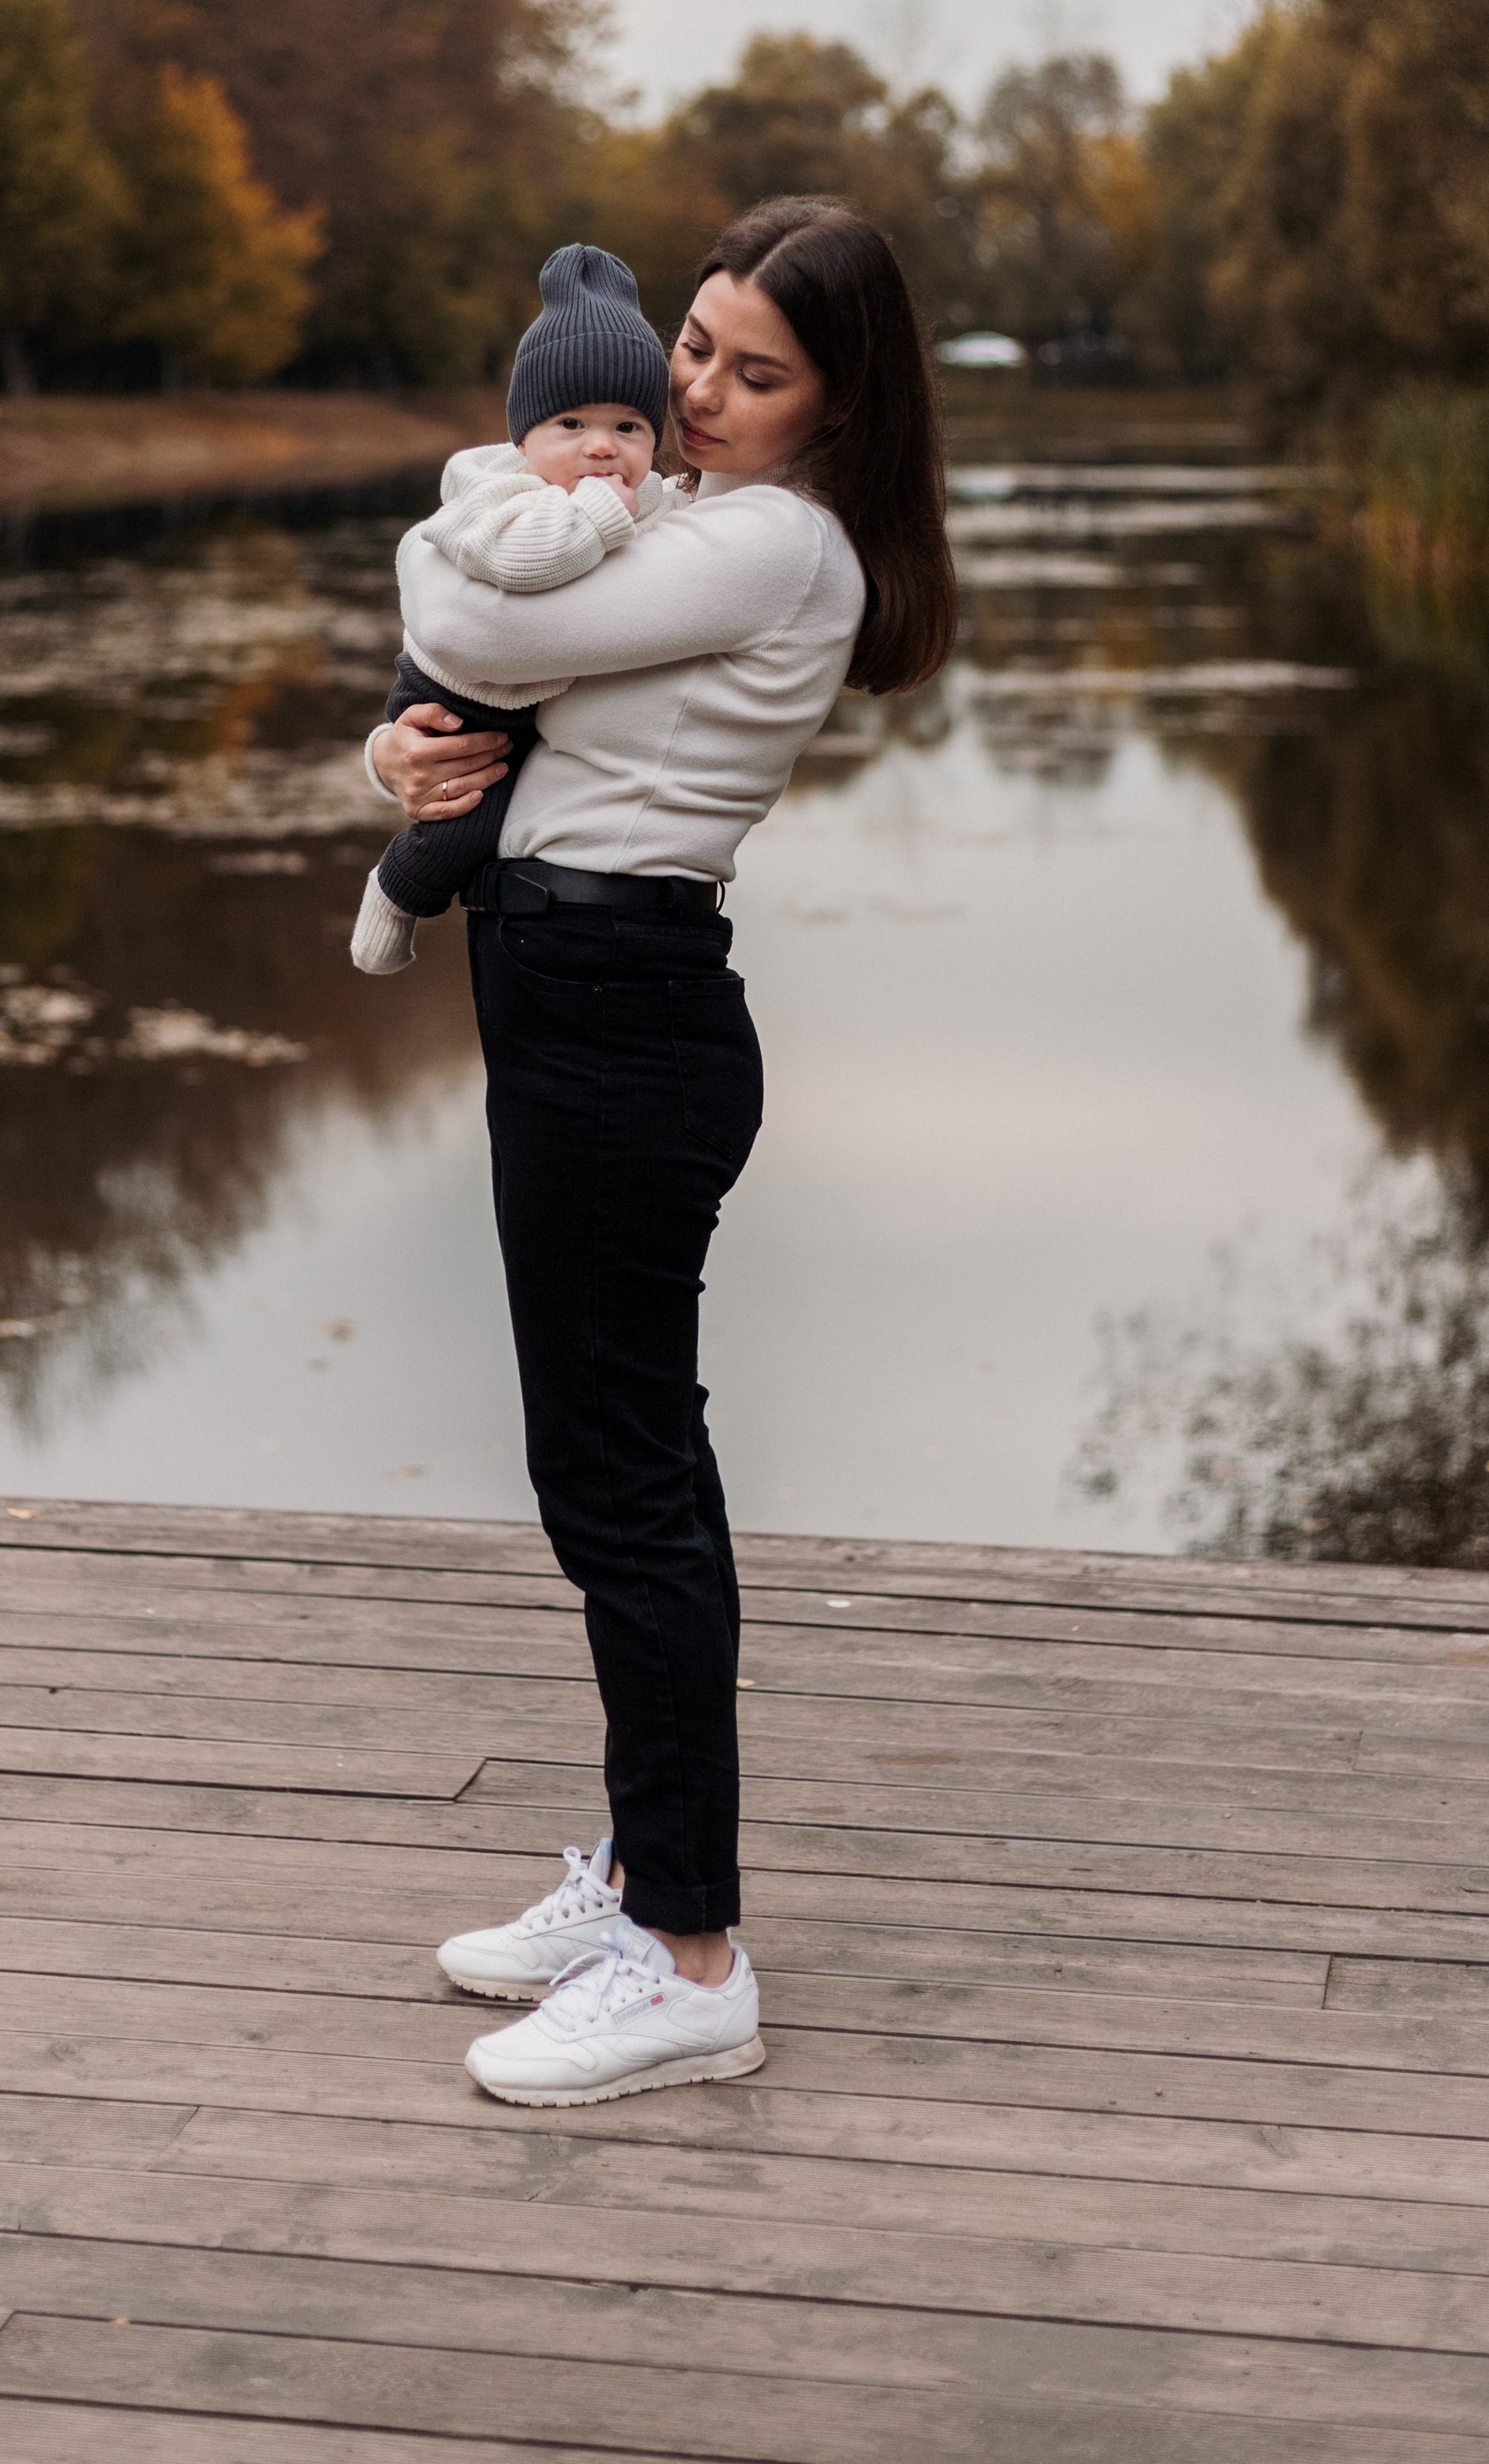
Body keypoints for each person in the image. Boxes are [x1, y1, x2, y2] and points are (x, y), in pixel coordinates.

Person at [367, 195, 956, 2109]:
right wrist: (407, 763)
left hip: (621, 1018)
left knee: (617, 1479)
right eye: (692, 343)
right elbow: (507, 697)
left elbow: (460, 609)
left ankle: (690, 1953)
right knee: (613, 1459)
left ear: (838, 409)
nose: (693, 389)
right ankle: (639, 1873)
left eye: (750, 371)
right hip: (574, 997)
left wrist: (458, 586)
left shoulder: (773, 539)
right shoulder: (698, 520)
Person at [351, 244, 676, 977]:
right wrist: (601, 512)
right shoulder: (500, 497)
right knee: (464, 823)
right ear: (524, 438)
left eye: (629, 428)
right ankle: (396, 893)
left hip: (528, 705)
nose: (601, 447)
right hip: (454, 701)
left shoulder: (635, 496)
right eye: (571, 425)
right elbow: (525, 563)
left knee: (511, 818)